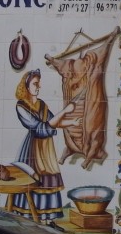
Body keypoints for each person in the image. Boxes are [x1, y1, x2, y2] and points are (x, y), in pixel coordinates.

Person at [13, 69, 77, 222]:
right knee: (32, 181)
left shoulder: (42, 104)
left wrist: (72, 122)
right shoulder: (21, 106)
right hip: (32, 150)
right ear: (26, 86)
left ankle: (49, 221)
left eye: (38, 83)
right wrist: (65, 111)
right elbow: (40, 128)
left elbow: (54, 122)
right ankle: (29, 219)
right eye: (35, 83)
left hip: (46, 150)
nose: (38, 86)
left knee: (48, 181)